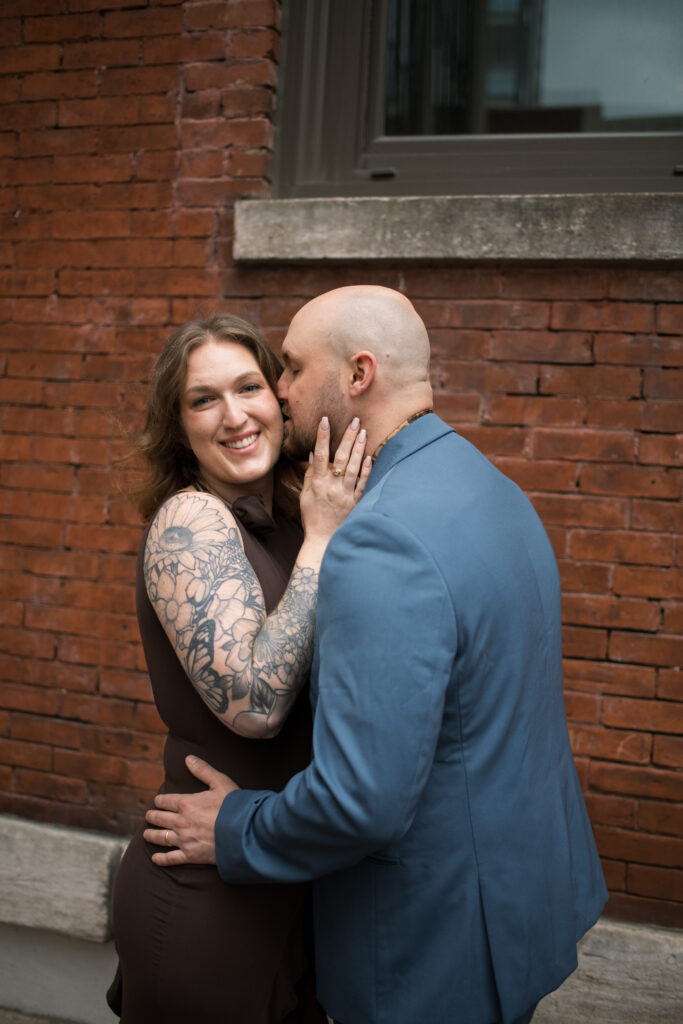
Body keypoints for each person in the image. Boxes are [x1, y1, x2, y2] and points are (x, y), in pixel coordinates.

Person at [144, 287, 608, 1024]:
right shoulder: (487, 485)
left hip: (434, 938)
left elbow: (361, 801)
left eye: (288, 369)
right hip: (522, 900)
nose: (279, 391)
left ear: (357, 375)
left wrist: (234, 829)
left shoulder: (376, 538)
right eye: (207, 398)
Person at [107, 313, 370, 1023]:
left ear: (278, 396)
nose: (233, 416)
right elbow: (254, 706)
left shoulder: (291, 513)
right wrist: (321, 539)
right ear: (178, 423)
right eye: (203, 399)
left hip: (284, 874)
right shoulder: (190, 521)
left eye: (248, 386)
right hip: (205, 898)